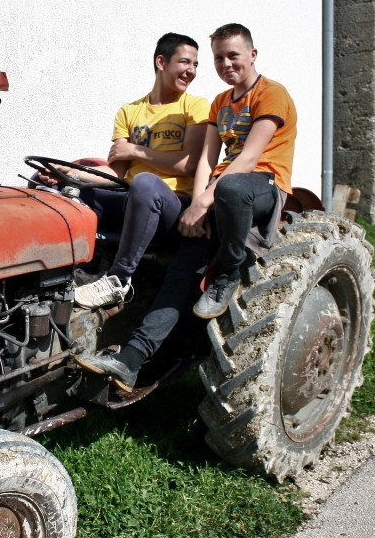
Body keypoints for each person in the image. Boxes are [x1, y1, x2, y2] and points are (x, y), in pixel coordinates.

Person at [75, 23, 297, 392]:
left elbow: (250, 157)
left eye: (233, 56)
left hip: (261, 186)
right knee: (180, 275)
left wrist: (205, 198)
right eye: (219, 58)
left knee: (233, 186)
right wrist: (196, 207)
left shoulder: (272, 93)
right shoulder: (221, 103)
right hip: (221, 194)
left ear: (252, 55)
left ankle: (228, 269)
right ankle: (130, 360)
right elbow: (208, 162)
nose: (226, 64)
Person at [49, 32, 209, 309]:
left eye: (195, 65)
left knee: (146, 183)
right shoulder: (129, 111)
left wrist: (135, 151)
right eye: (185, 62)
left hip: (172, 207)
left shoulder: (194, 106)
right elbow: (116, 175)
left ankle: (118, 280)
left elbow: (190, 164)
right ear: (161, 61)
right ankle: (55, 274)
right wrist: (69, 174)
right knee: (58, 195)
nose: (191, 71)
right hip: (132, 199)